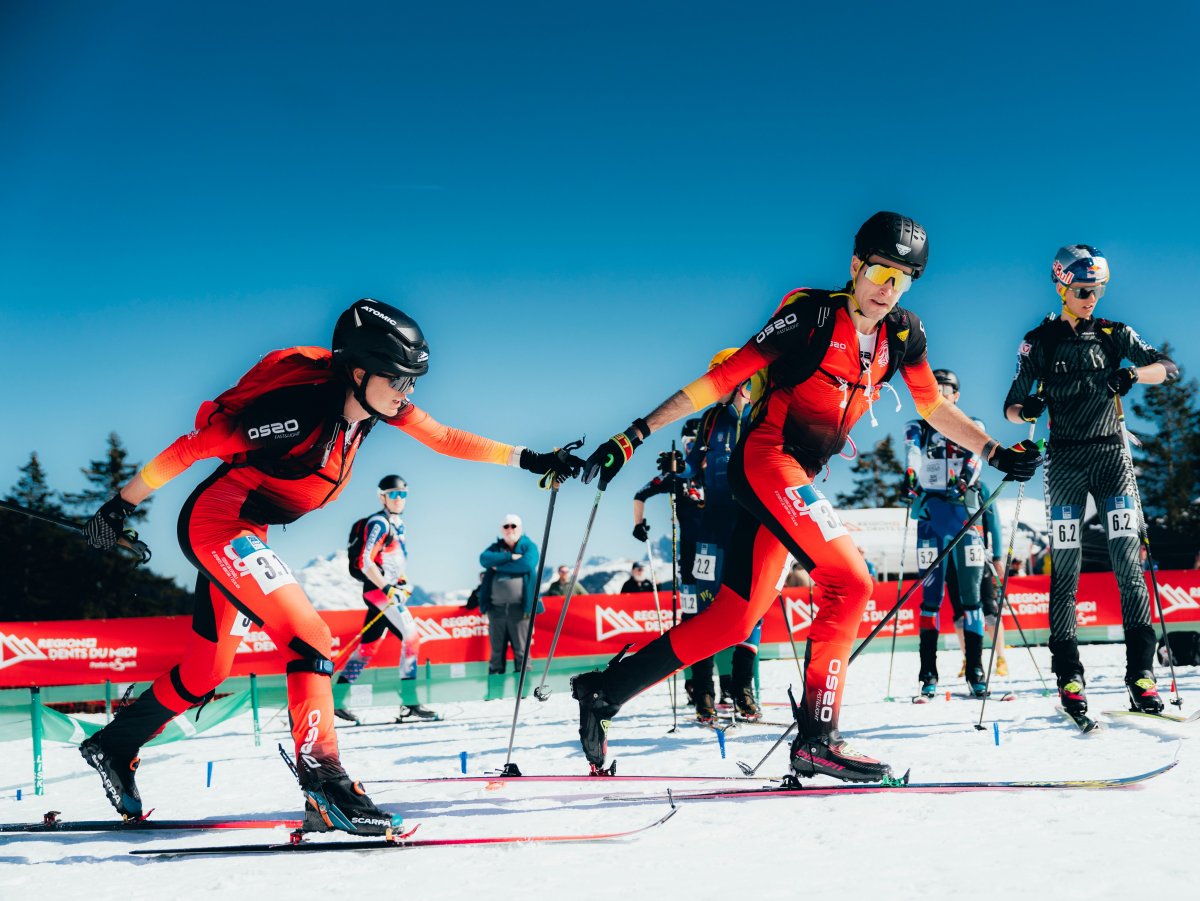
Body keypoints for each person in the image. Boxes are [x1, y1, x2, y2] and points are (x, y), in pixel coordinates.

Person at [77, 298, 583, 832]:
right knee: (311, 637)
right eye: (398, 379)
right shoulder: (298, 414)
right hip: (220, 524)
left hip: (249, 527)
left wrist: (530, 458)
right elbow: (193, 448)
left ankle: (116, 743)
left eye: (413, 381)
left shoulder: (377, 407)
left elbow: (446, 438)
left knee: (208, 669)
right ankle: (324, 784)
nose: (407, 392)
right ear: (359, 373)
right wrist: (118, 507)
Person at [571, 211, 1041, 781]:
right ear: (856, 266)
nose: (887, 289)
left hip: (797, 476)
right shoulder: (811, 317)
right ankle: (818, 738)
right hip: (767, 459)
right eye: (879, 272)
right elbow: (722, 379)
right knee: (852, 580)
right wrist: (634, 434)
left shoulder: (904, 335)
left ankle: (603, 692)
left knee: (733, 620)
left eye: (901, 279)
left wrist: (994, 452)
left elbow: (932, 405)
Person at [1004, 245, 1177, 717]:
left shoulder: (1113, 332)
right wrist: (1027, 410)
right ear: (1062, 287)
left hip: (1111, 458)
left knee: (1128, 564)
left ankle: (1141, 676)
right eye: (1083, 290)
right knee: (1066, 569)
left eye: (1098, 290)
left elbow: (1167, 368)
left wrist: (1133, 374)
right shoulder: (1038, 340)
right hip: (1064, 462)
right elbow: (1012, 406)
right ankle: (1069, 676)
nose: (1091, 298)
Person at [672, 349, 764, 723]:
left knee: (751, 607)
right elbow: (692, 468)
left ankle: (742, 690)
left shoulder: (763, 413)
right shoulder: (710, 419)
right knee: (703, 609)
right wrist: (678, 470)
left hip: (750, 522)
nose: (714, 386)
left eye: (720, 377)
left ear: (741, 380)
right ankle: (704, 694)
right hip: (712, 525)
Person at [904, 368, 1002, 698]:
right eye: (936, 388)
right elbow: (912, 453)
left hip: (964, 517)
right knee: (930, 598)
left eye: (946, 389)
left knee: (972, 598)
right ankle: (928, 674)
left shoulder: (971, 423)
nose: (941, 393)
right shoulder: (917, 426)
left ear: (956, 396)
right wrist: (910, 476)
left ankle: (975, 670)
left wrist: (963, 481)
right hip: (931, 518)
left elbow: (977, 456)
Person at [332, 474, 438, 725]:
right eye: (393, 494)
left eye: (403, 494)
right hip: (380, 592)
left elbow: (392, 560)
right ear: (382, 497)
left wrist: (400, 580)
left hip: (387, 591)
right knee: (412, 638)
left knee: (367, 648)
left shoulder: (399, 524)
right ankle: (409, 701)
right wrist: (388, 588)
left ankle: (336, 699)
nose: (399, 499)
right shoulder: (379, 523)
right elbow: (365, 561)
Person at [479, 514, 540, 675]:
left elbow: (528, 564)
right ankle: (495, 687)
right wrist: (510, 557)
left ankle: (524, 687)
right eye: (506, 526)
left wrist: (499, 566)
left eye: (513, 525)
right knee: (496, 652)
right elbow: (484, 559)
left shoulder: (529, 546)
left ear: (520, 528)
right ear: (501, 529)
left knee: (522, 651)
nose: (510, 529)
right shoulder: (495, 547)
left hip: (520, 609)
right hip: (496, 609)